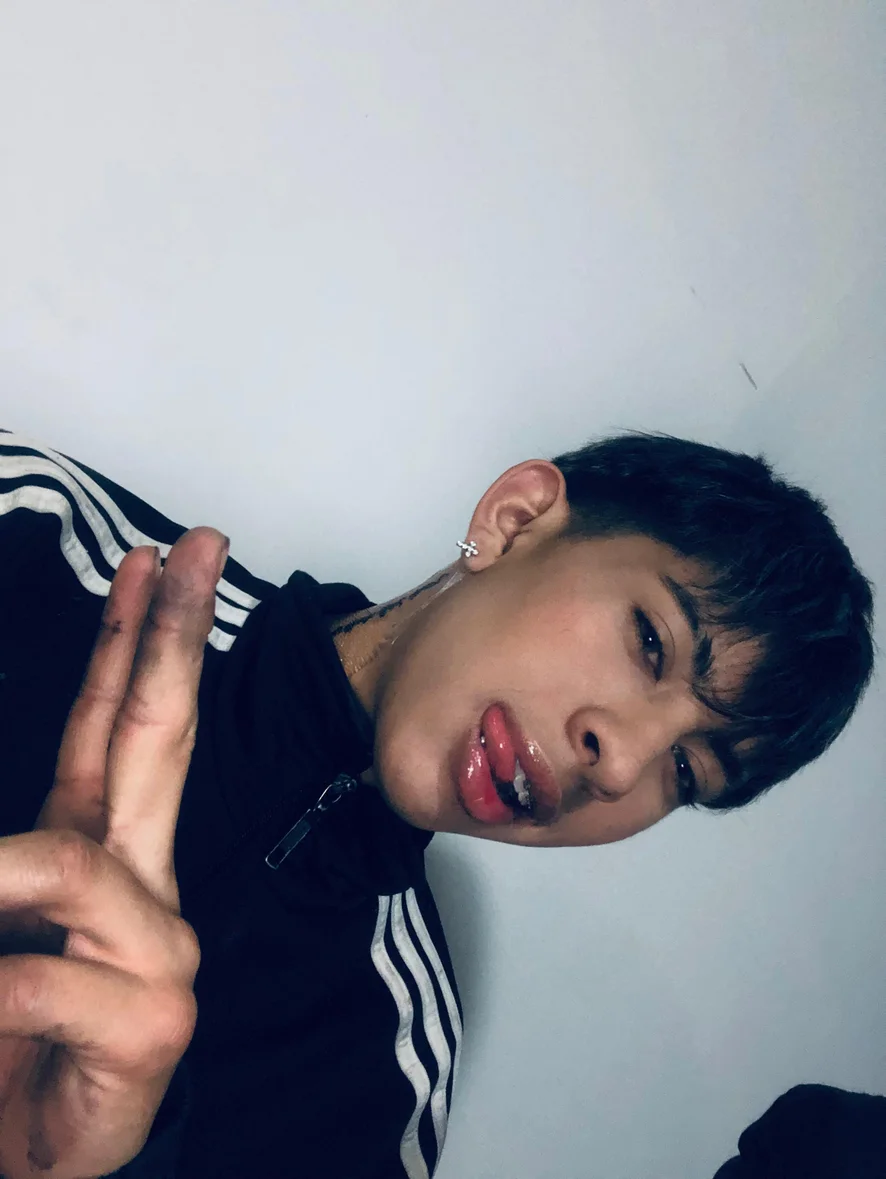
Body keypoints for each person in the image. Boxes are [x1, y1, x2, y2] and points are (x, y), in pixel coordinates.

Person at [0, 427, 874, 1178]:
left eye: (686, 771)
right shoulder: (35, 535)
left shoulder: (383, 1085)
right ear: (514, 521)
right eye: (651, 639)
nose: (622, 763)